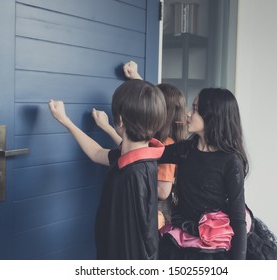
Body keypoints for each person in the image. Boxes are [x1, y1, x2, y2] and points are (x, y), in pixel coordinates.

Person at [48, 79, 167, 260]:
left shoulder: (132, 175)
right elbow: (96, 153)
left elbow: (132, 243)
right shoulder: (140, 158)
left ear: (119, 121)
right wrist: (66, 121)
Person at [93, 61, 187, 229]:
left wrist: (142, 182)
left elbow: (163, 191)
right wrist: (135, 77)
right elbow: (129, 147)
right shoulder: (156, 137)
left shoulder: (167, 143)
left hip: (157, 214)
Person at [158, 88, 249, 260]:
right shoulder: (184, 150)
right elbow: (148, 154)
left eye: (195, 109)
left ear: (212, 116)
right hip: (181, 237)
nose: (188, 114)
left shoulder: (230, 161)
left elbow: (238, 219)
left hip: (213, 245)